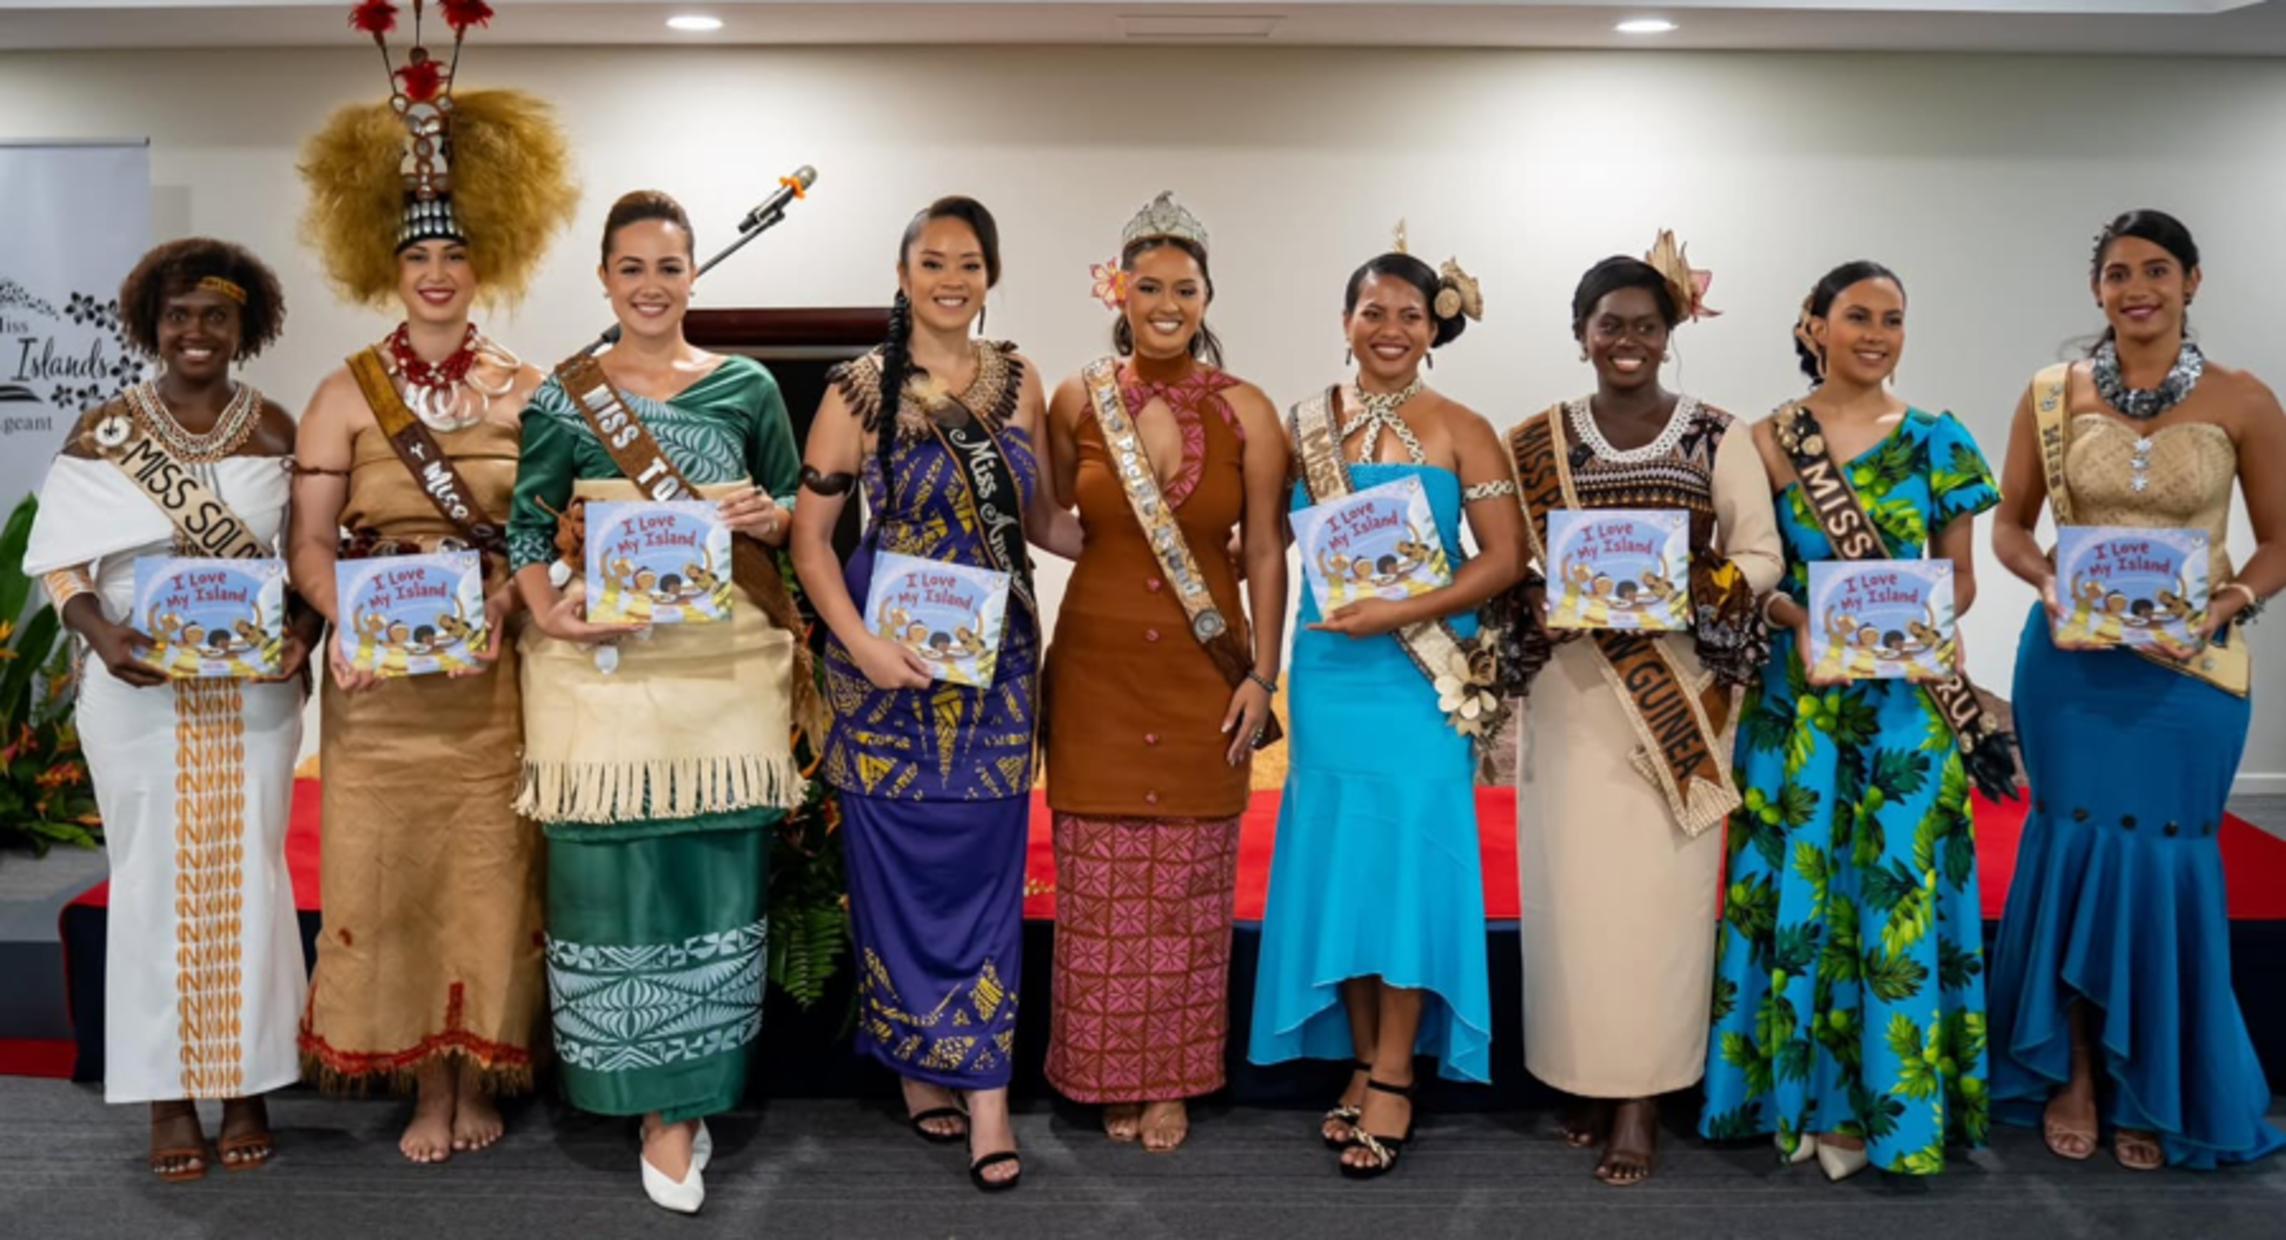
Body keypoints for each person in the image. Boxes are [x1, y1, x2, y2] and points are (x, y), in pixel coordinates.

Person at [288, 16, 578, 1163]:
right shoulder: (343, 394)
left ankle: (476, 1070)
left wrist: (504, 602)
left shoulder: (530, 388)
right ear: (392, 269)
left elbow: (552, 531)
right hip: (377, 693)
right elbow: (309, 546)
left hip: (491, 680)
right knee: (386, 877)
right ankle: (422, 1084)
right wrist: (351, 619)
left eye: (455, 256)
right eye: (419, 259)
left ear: (479, 265)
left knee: (489, 879)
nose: (439, 273)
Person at [506, 190, 814, 1214]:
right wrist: (550, 616)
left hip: (721, 671)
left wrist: (765, 515)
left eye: (669, 267)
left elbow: (792, 512)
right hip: (603, 670)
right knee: (613, 877)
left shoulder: (746, 385)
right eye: (631, 268)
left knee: (714, 880)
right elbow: (525, 528)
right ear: (604, 279)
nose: (651, 286)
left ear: (693, 276)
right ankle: (640, 1095)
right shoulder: (566, 397)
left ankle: (683, 1106)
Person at [1986, 209, 2286, 1171]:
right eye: (2118, 273)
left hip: (2192, 675)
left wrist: (2228, 602)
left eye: (2157, 270)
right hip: (2072, 667)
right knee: (2073, 851)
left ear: (2192, 281)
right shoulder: (2051, 394)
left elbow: (2280, 540)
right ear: (2097, 290)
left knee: (2164, 862)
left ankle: (2154, 1077)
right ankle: (2076, 1070)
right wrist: (2046, 583)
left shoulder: (2246, 399)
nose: (2137, 288)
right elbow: (2009, 526)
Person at [790, 195, 1079, 1191]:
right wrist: (861, 645)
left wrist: (1157, 554)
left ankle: (986, 1091)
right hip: (886, 670)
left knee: (988, 874)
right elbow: (809, 541)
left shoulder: (1021, 380)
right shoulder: (856, 389)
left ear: (990, 275)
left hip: (995, 667)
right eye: (933, 262)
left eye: (969, 263)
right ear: (903, 272)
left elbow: (1044, 520)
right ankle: (920, 1062)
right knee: (897, 877)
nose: (952, 280)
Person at [1700, 260, 2003, 1180]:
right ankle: (1793, 1104)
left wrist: (1918, 616)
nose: (1876, 334)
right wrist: (1793, 613)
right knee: (1800, 890)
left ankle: (1889, 1115)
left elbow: (1960, 578)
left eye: (1893, 319)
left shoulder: (1939, 439)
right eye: (1858, 316)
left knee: (1892, 899)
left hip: (1905, 708)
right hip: (1801, 702)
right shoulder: (1763, 441)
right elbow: (1745, 570)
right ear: (1814, 325)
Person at [24, 238, 314, 1181]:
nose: (196, 331)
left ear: (245, 327)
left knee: (252, 877)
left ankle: (249, 1085)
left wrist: (303, 635)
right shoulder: (104, 430)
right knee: (151, 879)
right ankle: (167, 1095)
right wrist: (100, 635)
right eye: (179, 315)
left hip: (252, 694)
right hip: (135, 688)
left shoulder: (276, 428)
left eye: (215, 316)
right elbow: (61, 563)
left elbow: (312, 555)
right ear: (151, 324)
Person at [1506, 236, 1784, 1186]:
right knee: (1574, 900)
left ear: (1671, 334)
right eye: (1609, 325)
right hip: (1574, 696)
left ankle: (1644, 1098)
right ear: (1580, 334)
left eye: (1646, 326)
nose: (1628, 341)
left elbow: (1761, 556)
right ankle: (1583, 1075)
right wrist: (1538, 595)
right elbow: (1514, 560)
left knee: (1662, 907)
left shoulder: (1718, 434)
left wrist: (1680, 587)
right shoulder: (1534, 439)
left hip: (1682, 700)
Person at [1247, 241, 1521, 1179]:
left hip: (1418, 683)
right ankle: (1364, 1060)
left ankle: (1398, 1070)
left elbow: (1504, 558)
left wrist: (1405, 610)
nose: (1391, 330)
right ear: (1346, 321)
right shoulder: (1302, 425)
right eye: (1374, 312)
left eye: (1410, 314)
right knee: (1346, 868)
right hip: (1330, 675)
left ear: (1434, 327)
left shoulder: (1464, 428)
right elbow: (1266, 549)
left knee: (1405, 865)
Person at [1040, 192, 1287, 1152]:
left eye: (1185, 288)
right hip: (1095, 669)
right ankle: (1108, 1071)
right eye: (1149, 286)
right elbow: (1051, 514)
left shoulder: (1246, 408)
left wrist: (1261, 672)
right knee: (1099, 884)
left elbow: (1262, 547)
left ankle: (1173, 1079)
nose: (1167, 304)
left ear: (1207, 298)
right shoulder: (1077, 398)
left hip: (1201, 672)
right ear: (1121, 293)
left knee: (1190, 882)